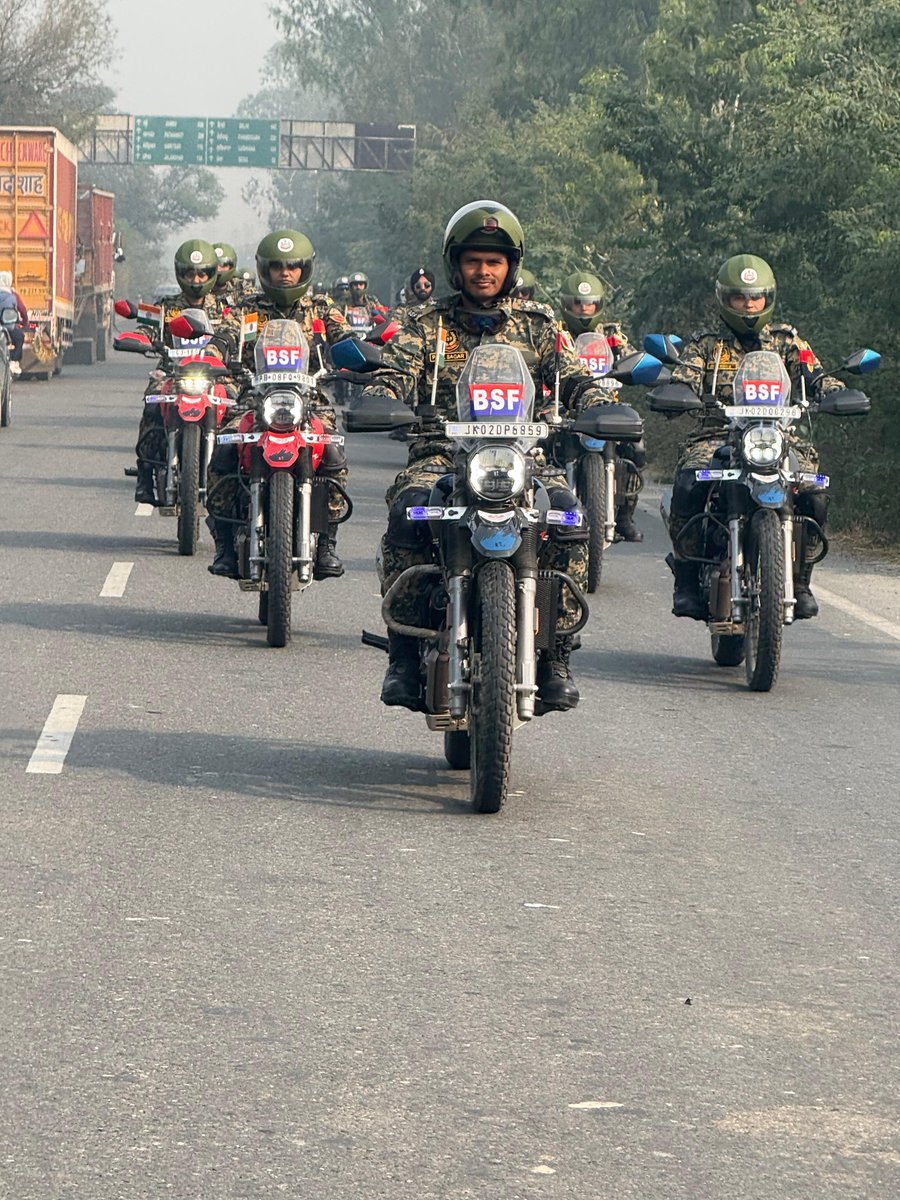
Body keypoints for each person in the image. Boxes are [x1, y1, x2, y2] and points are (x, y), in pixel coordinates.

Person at [363, 200, 616, 713]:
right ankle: (405, 654)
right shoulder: (425, 323)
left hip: (525, 455)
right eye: (475, 260)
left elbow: (578, 381)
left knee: (569, 515)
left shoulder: (539, 324)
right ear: (457, 265)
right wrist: (384, 399)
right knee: (408, 512)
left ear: (511, 267)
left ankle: (557, 654)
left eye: (494, 262)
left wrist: (598, 405)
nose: (484, 271)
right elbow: (393, 373)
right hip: (442, 453)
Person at [667, 253, 842, 620]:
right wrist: (676, 393)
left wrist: (835, 392)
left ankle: (802, 579)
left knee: (815, 492)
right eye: (740, 298)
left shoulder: (786, 340)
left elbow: (815, 374)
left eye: (756, 297)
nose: (749, 305)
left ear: (768, 298)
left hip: (778, 436)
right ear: (724, 299)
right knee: (687, 482)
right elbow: (683, 378)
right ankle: (684, 578)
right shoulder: (707, 345)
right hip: (717, 435)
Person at [204, 229, 352, 579]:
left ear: (305, 270)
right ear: (263, 270)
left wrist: (358, 355)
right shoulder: (247, 309)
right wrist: (210, 356)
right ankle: (224, 542)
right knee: (223, 453)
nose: (285, 274)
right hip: (254, 402)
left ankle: (328, 542)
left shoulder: (321, 308)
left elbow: (345, 338)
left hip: (311, 402)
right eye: (277, 267)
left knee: (333, 455)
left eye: (293, 266)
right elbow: (223, 335)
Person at [132, 239, 229, 504]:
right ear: (179, 274)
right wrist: (139, 338)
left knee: (239, 408)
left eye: (202, 273)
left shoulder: (227, 308)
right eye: (189, 273)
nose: (196, 279)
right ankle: (145, 477)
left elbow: (240, 336)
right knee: (151, 406)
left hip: (215, 375)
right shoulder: (164, 305)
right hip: (171, 374)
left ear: (212, 274)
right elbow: (145, 328)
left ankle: (233, 483)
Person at [559, 270, 646, 542]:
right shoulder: (555, 332)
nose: (584, 309)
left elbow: (631, 357)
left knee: (637, 448)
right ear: (566, 305)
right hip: (566, 410)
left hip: (608, 407)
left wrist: (634, 367)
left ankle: (624, 516)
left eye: (590, 303)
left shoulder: (611, 335)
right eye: (578, 303)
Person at [0, 269, 28, 374]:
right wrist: (24, 323)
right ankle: (14, 361)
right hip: (9, 328)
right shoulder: (13, 296)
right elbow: (23, 310)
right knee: (20, 338)